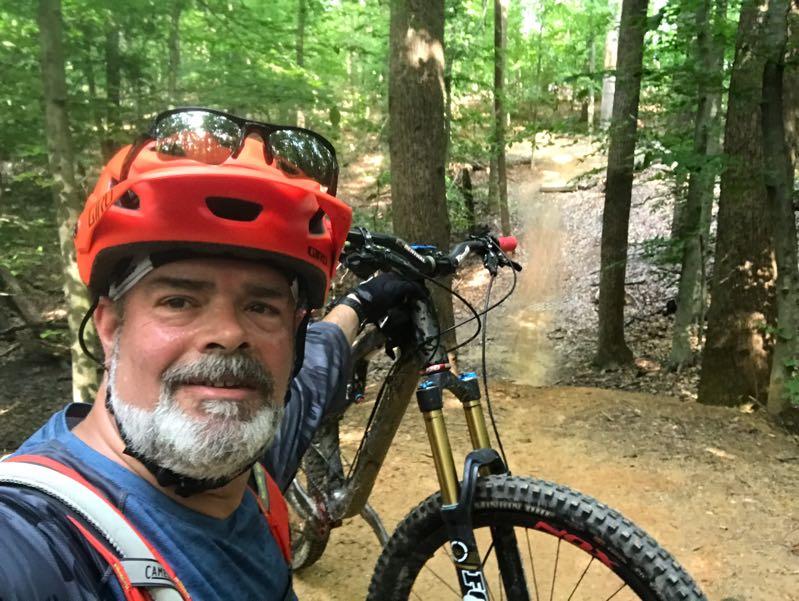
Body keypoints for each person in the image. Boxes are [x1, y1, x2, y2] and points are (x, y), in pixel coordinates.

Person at [0, 108, 422, 600]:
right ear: (111, 325)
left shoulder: (256, 463)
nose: (228, 333)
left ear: (293, 335)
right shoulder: (37, 541)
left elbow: (322, 357)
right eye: (179, 301)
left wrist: (362, 301)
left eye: (262, 306)